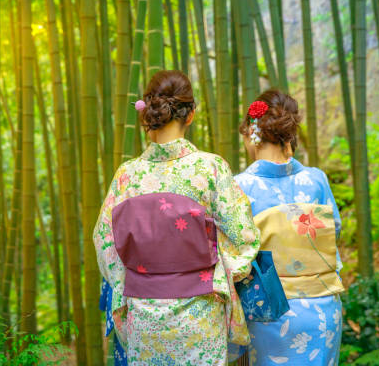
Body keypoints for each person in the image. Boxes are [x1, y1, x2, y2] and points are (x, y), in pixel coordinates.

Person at [93, 70, 260, 365]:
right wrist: (216, 272)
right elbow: (244, 238)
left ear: (148, 112)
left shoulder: (127, 176)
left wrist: (130, 283)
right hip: (200, 312)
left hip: (143, 315)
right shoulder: (210, 168)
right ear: (191, 114)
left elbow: (105, 243)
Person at [230, 89, 344, 365]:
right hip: (323, 310)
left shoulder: (239, 186)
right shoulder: (316, 180)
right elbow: (334, 230)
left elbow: (232, 255)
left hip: (270, 314)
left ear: (251, 132)